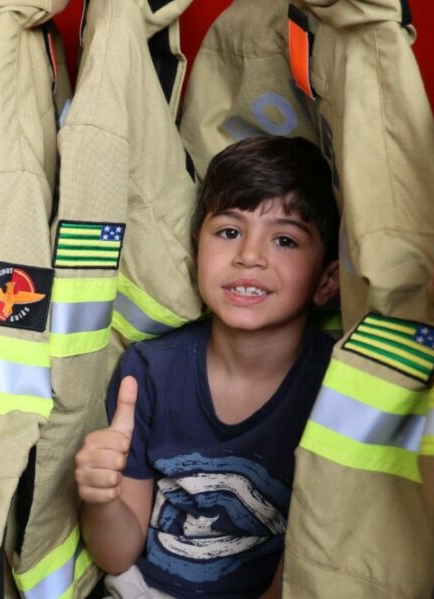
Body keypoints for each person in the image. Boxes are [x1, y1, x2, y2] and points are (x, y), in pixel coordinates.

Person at [74, 135, 341, 598]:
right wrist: (100, 498)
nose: (250, 256)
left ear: (327, 281)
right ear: (196, 247)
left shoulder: (336, 384)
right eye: (229, 232)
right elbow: (117, 554)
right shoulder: (148, 372)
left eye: (284, 240)